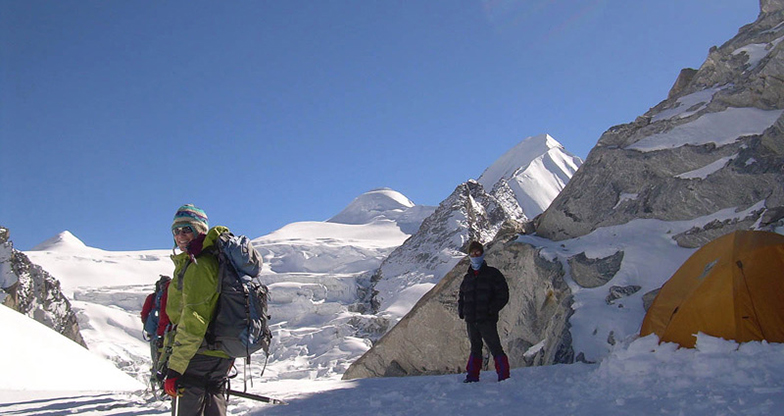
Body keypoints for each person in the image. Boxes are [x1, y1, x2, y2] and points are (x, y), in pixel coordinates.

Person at [163, 204, 234, 415]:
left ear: (200, 230)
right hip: (219, 352)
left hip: (198, 354)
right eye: (176, 230)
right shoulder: (210, 260)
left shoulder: (198, 265)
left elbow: (194, 319)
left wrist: (175, 368)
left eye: (187, 229)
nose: (180, 235)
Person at [457, 241, 510, 382]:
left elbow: (503, 295)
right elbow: (462, 295)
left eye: (478, 252)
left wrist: (491, 310)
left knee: (495, 347)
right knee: (475, 348)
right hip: (471, 319)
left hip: (487, 319)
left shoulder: (493, 274)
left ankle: (504, 375)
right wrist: (461, 310)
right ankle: (472, 376)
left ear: (482, 253)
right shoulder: (467, 278)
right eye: (472, 253)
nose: (475, 255)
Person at [141, 274, 171, 380]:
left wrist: (147, 326)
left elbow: (144, 313)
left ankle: (156, 377)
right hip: (169, 332)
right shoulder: (170, 296)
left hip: (155, 333)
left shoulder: (152, 297)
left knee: (156, 358)